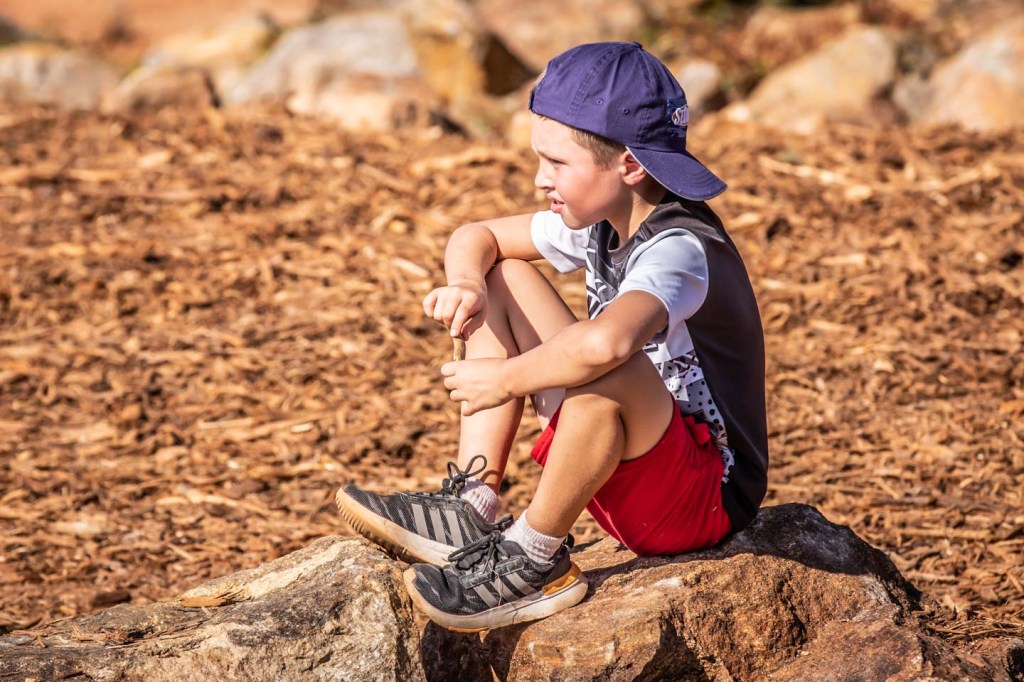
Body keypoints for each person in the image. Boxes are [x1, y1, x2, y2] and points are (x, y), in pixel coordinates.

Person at [336, 41, 768, 632]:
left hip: (701, 501)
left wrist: (506, 379)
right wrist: (467, 285)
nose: (541, 180)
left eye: (557, 164)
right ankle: (471, 503)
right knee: (503, 277)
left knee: (609, 368)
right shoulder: (605, 222)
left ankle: (535, 558)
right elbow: (478, 235)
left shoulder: (680, 249)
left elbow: (606, 346)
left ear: (630, 166)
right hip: (629, 463)